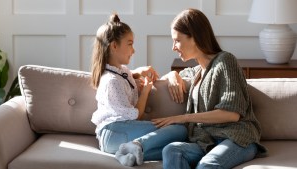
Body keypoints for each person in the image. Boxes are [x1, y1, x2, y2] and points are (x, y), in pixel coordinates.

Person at [152, 8, 267, 169]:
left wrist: (183, 118)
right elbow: (171, 76)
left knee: (207, 165)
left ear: (194, 37)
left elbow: (232, 114)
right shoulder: (198, 71)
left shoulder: (225, 61)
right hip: (207, 141)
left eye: (177, 40)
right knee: (172, 150)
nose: (173, 47)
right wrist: (173, 75)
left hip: (237, 139)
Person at [90, 13, 187, 167]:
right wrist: (147, 88)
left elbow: (125, 76)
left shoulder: (120, 73)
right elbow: (136, 115)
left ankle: (125, 153)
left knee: (175, 149)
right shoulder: (111, 81)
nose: (133, 50)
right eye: (130, 44)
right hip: (115, 132)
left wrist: (137, 72)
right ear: (114, 46)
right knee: (180, 131)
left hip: (116, 137)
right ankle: (132, 146)